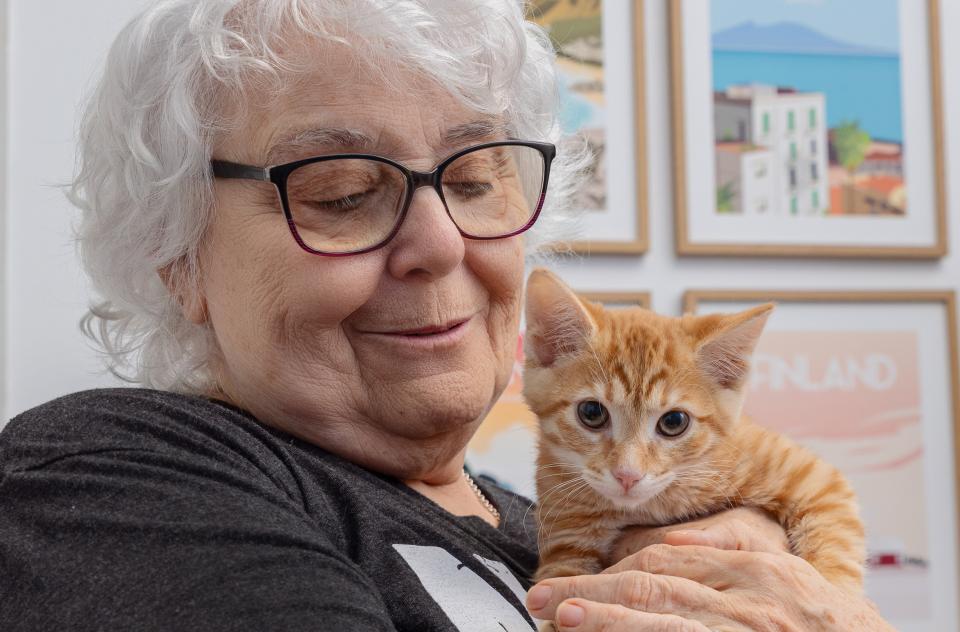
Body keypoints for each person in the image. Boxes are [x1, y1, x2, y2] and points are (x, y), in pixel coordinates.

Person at [0, 1, 894, 630]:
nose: (442, 242)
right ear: (178, 258)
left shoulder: (563, 518)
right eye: (342, 192)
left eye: (475, 178)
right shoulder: (108, 477)